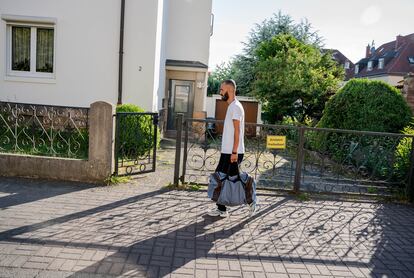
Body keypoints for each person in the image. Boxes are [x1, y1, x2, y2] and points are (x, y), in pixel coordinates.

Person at [208, 79, 256, 217]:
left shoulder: (236, 107)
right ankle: (221, 209)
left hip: (233, 152)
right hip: (228, 152)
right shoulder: (232, 106)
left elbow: (237, 131)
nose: (220, 92)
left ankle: (252, 202)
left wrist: (234, 152)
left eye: (222, 90)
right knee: (222, 178)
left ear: (229, 90)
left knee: (236, 180)